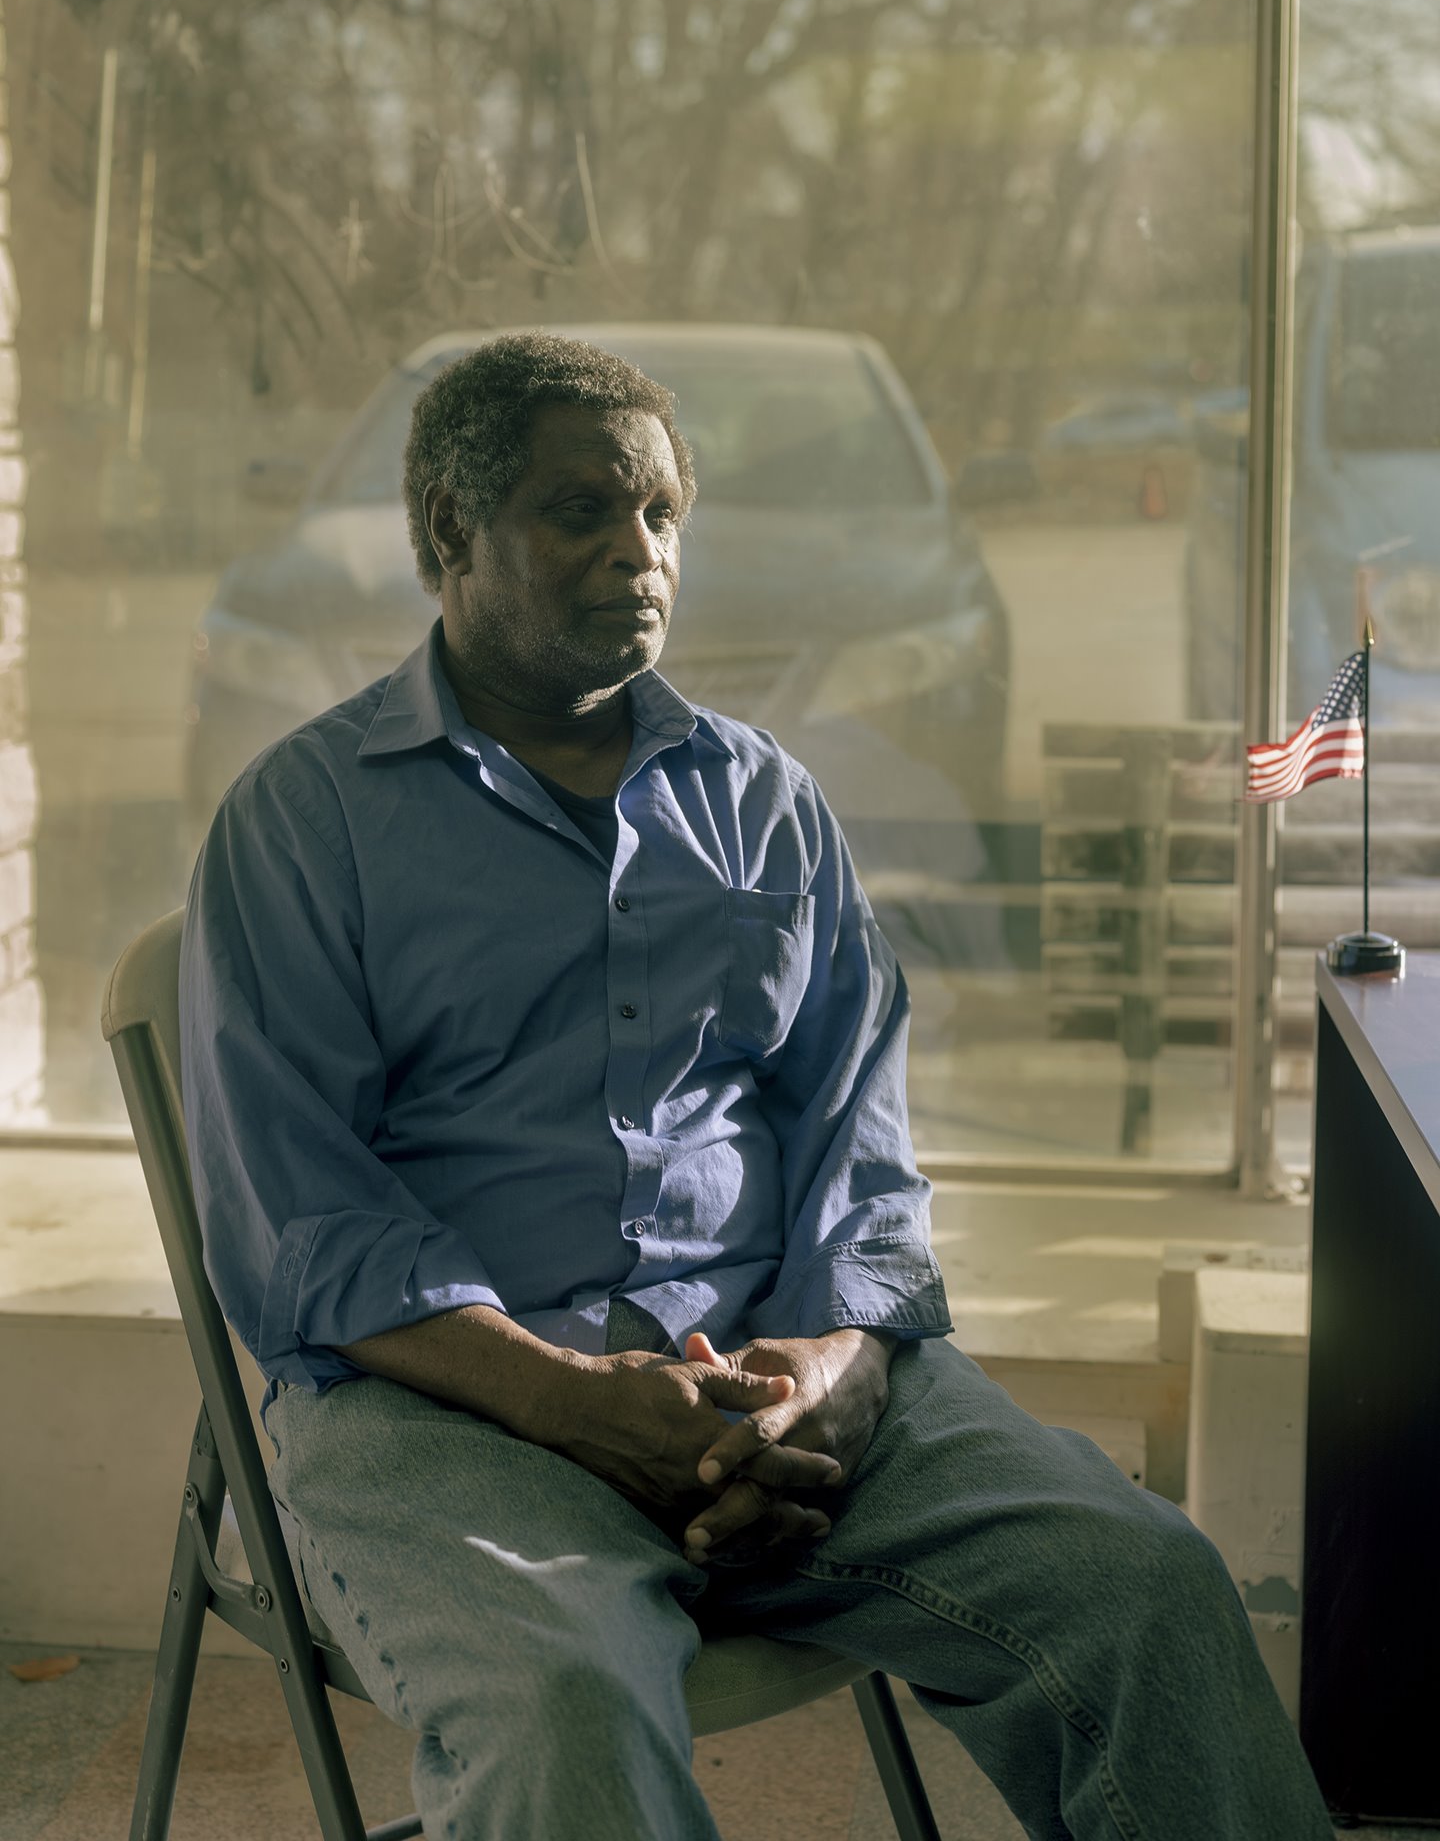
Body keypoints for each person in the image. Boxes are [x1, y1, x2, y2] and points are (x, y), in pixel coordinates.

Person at [181, 331, 1333, 1840]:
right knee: (567, 1708)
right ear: (451, 536)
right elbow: (303, 1223)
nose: (638, 553)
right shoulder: (303, 821)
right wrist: (583, 1404)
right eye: (581, 512)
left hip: (776, 1384)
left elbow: (861, 1141)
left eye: (662, 514)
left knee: (1145, 1587)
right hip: (456, 1406)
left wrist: (835, 1374)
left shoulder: (767, 801)